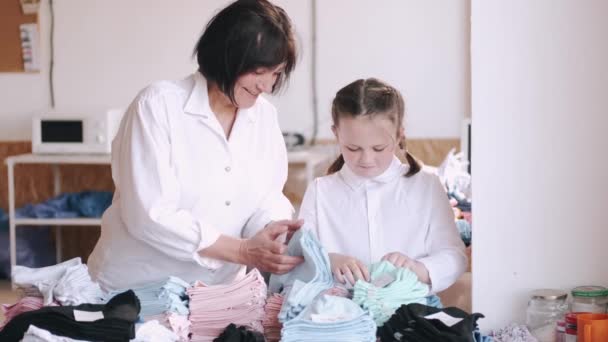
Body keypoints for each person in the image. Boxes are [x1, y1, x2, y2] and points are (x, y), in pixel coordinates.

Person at [88, 0, 304, 291]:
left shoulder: (264, 117)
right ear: (227, 56)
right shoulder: (158, 106)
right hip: (137, 289)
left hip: (218, 293)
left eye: (276, 73)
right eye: (259, 71)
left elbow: (267, 196)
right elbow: (149, 215)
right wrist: (241, 251)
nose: (266, 85)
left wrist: (272, 232)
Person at [298, 78, 467, 293]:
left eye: (378, 148)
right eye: (353, 148)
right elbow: (300, 255)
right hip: (340, 316)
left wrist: (419, 268)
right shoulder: (320, 191)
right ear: (336, 134)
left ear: (399, 136)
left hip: (410, 313)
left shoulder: (426, 186)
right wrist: (329, 260)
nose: (366, 159)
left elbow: (454, 255)